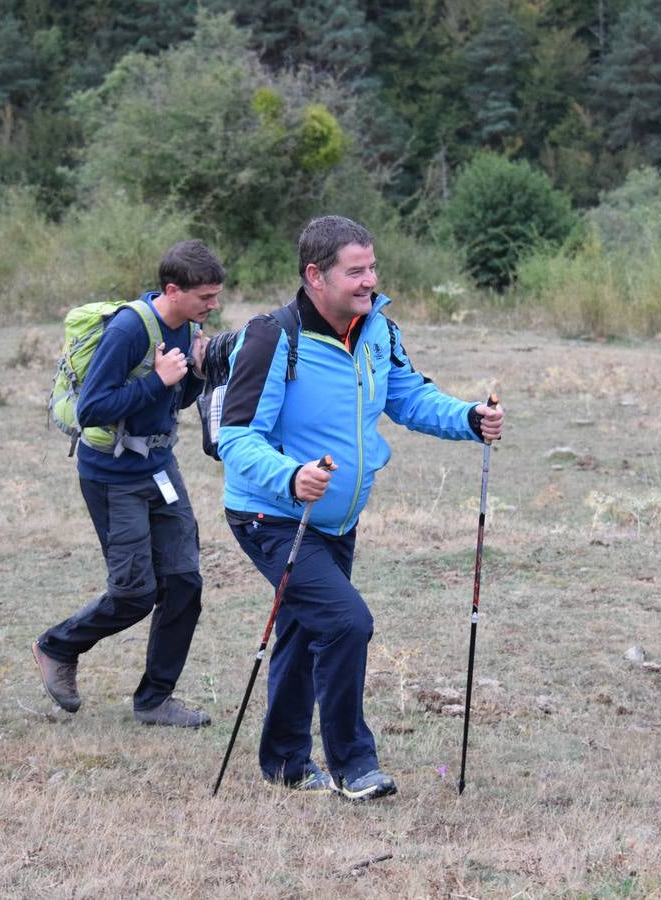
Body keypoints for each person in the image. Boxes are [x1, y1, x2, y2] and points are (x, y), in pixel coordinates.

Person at [217, 215, 504, 799]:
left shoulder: (378, 330)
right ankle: (353, 765)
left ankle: (285, 764)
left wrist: (469, 418)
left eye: (372, 267)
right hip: (271, 515)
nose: (370, 280)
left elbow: (409, 398)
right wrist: (290, 475)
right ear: (315, 276)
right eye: (356, 270)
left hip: (336, 519)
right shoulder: (273, 337)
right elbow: (237, 436)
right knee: (347, 623)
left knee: (306, 630)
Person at [32, 239, 221, 728]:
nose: (213, 306)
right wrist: (156, 381)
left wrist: (196, 374)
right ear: (172, 289)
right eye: (205, 297)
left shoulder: (189, 327)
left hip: (161, 468)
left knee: (184, 583)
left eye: (216, 296)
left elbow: (171, 402)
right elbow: (93, 407)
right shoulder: (128, 330)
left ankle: (155, 700)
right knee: (135, 592)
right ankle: (57, 646)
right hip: (113, 477)